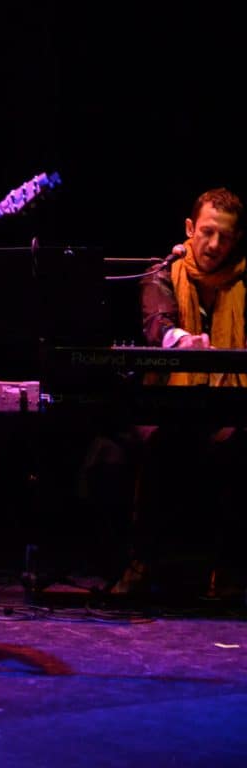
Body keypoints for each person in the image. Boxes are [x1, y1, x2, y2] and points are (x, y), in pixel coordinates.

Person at [112, 187, 247, 597]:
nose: (214, 244)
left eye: (225, 236)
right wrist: (178, 339)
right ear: (190, 228)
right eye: (206, 232)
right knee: (161, 446)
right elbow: (158, 322)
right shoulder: (162, 272)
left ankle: (230, 574)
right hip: (170, 404)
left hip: (232, 409)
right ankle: (141, 567)